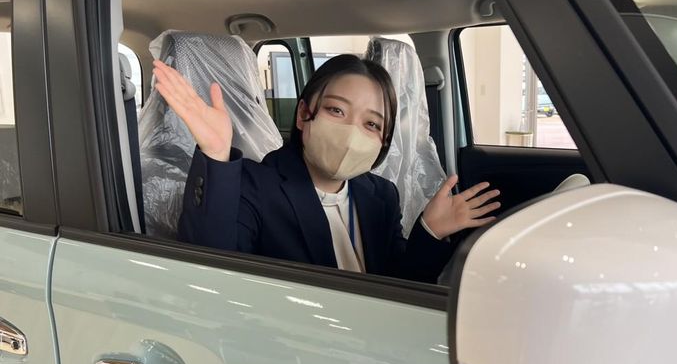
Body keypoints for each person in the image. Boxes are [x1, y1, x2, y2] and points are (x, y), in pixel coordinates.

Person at [153, 54, 500, 283]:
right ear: (305, 115)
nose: (351, 132)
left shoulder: (380, 195)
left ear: (383, 141)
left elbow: (399, 284)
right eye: (336, 110)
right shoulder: (256, 185)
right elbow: (211, 269)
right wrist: (216, 154)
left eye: (372, 124)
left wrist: (430, 230)